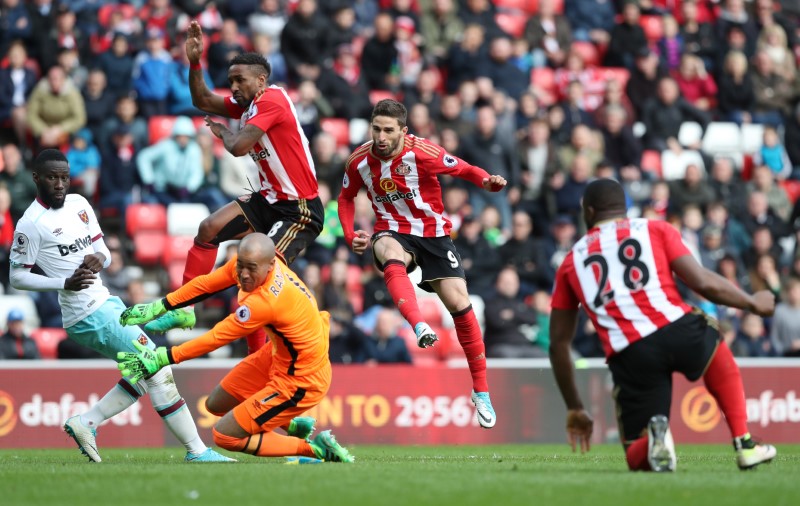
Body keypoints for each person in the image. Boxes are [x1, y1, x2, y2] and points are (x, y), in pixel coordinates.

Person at [8, 149, 232, 463]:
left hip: (106, 302)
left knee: (143, 374)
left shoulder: (79, 204)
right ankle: (197, 451)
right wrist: (64, 282)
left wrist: (100, 258)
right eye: (51, 177)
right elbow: (16, 276)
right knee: (158, 367)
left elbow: (104, 252)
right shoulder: (30, 223)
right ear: (36, 178)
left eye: (64, 177)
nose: (59, 184)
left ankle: (86, 422)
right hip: (85, 315)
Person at [548, 178, 777, 472]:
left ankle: (657, 441)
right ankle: (744, 443)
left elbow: (558, 344)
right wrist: (751, 302)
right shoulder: (654, 229)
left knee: (634, 453)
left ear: (589, 212)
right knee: (716, 349)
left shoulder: (571, 261)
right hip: (676, 327)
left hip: (630, 352)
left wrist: (575, 407)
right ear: (625, 207)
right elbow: (703, 282)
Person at [145, 21, 324, 359]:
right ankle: (184, 306)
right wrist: (195, 62)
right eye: (231, 81)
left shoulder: (272, 100)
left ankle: (268, 357)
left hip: (299, 210)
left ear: (261, 79)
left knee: (257, 275)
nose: (234, 86)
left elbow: (239, 145)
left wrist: (223, 133)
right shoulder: (250, 105)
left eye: (240, 80)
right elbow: (201, 98)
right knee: (208, 229)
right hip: (270, 199)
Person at [338, 99, 508, 429]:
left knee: (461, 304)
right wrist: (349, 235)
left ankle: (481, 391)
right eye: (376, 129)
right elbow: (345, 198)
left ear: (404, 131)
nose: (381, 137)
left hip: (433, 234)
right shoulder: (358, 160)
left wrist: (486, 181)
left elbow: (463, 168)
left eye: (389, 130)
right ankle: (418, 325)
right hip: (391, 228)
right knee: (387, 250)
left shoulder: (423, 152)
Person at [117, 233, 353, 464]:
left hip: (302, 377)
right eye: (241, 265)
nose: (244, 274)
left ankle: (315, 449)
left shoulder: (265, 301)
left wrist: (165, 356)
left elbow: (217, 337)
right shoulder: (252, 264)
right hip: (278, 355)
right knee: (216, 404)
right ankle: (291, 425)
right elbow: (206, 283)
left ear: (271, 265)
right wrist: (161, 305)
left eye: (251, 268)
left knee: (225, 435)